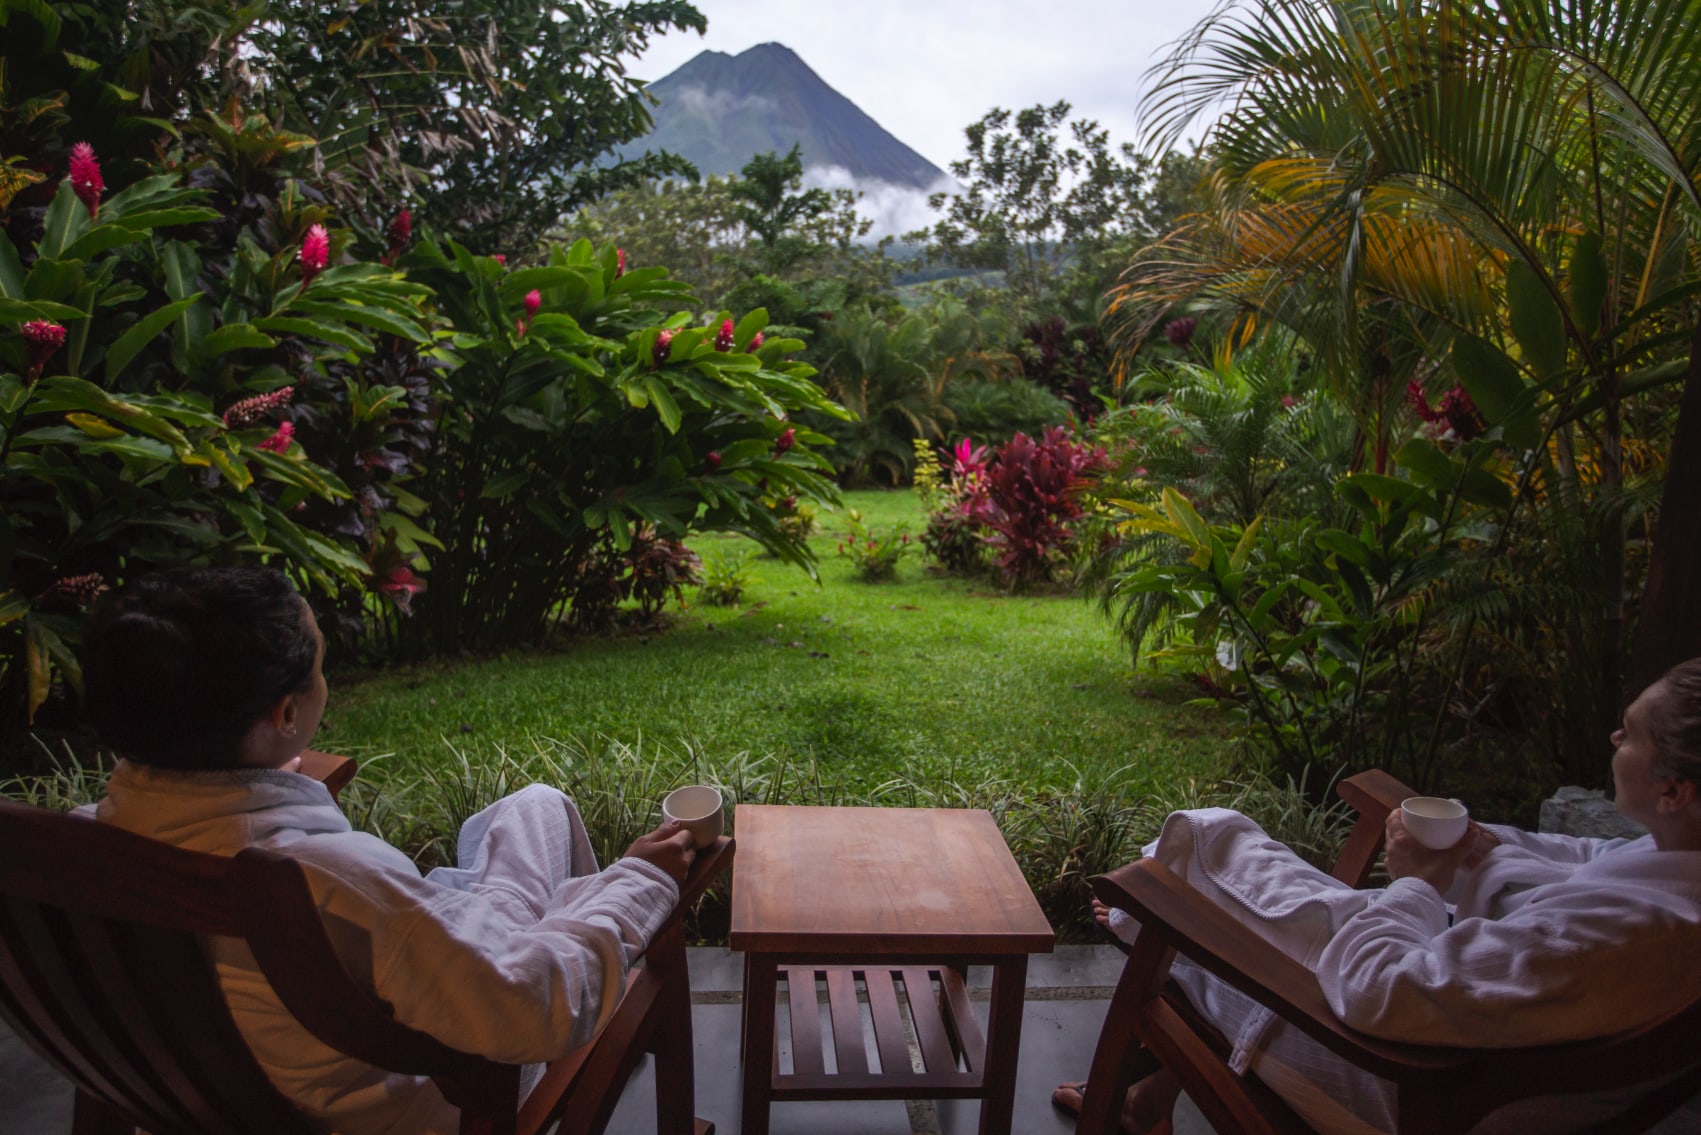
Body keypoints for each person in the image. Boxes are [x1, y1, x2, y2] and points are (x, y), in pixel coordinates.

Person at [76, 566, 697, 1135]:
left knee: (533, 807)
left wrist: (263, 776)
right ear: (285, 712)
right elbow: (536, 1008)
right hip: (441, 1096)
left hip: (227, 1092)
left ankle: (522, 914)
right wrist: (640, 882)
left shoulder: (77, 851)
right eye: (320, 667)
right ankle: (577, 938)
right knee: (541, 810)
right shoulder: (331, 883)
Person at [1054, 658, 1701, 1134]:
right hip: (1471, 1044)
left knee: (1194, 855)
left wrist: (1416, 880)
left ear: (1673, 790)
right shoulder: (1675, 871)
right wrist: (1479, 843)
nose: (1614, 741)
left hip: (1407, 1087)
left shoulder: (1619, 936)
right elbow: (1587, 856)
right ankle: (1143, 1100)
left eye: (1628, 733)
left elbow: (1378, 990)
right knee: (1209, 878)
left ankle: (1144, 971)